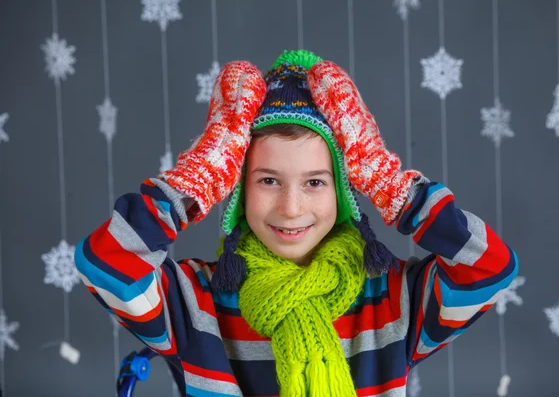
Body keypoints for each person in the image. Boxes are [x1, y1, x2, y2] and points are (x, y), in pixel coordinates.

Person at [75, 49, 518, 396]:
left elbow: (489, 269)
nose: (290, 207)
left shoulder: (392, 300)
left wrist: (395, 187)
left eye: (314, 182)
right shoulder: (196, 302)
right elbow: (107, 264)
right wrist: (198, 176)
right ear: (236, 187)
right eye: (268, 180)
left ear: (345, 192)